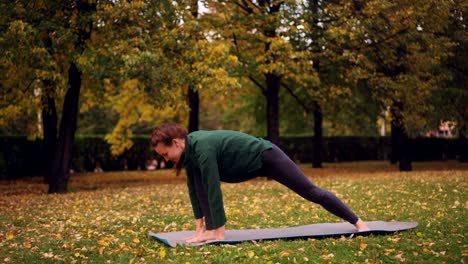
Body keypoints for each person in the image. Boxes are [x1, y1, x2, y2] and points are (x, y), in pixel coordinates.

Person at [150, 122, 369, 244]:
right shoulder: (190, 155)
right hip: (245, 167)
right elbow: (196, 191)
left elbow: (212, 188)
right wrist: (201, 229)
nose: (165, 158)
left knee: (310, 191)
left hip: (267, 156)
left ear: (177, 142)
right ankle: (207, 230)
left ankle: (358, 222)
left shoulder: (203, 147)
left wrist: (219, 233)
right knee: (199, 184)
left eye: (166, 152)